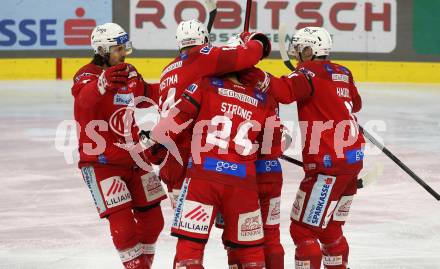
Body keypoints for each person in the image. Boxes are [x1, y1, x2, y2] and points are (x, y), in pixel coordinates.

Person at [242, 27, 365, 269]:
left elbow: (284, 92)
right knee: (330, 228)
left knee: (302, 229)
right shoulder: (344, 72)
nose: (297, 56)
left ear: (310, 50)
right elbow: (356, 104)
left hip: (328, 166)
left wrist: (248, 71)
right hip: (354, 160)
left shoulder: (307, 73)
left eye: (300, 51)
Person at [150, 66, 284, 268]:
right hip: (243, 184)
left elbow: (169, 127)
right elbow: (272, 148)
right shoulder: (262, 99)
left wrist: (152, 146)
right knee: (251, 255)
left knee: (189, 252)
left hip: (203, 179)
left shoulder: (205, 85)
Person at [71, 23, 166, 269]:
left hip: (135, 159)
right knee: (123, 227)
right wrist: (101, 84)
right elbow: (83, 100)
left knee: (154, 221)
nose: (124, 53)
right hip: (101, 163)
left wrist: (173, 90)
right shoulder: (86, 75)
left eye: (125, 48)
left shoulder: (128, 72)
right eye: (118, 48)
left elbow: (147, 94)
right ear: (102, 50)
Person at [157, 19, 272, 207]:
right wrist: (255, 40)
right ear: (204, 39)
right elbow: (248, 56)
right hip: (194, 154)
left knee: (188, 225)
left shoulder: (167, 70)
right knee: (213, 217)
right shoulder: (205, 56)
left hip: (169, 158)